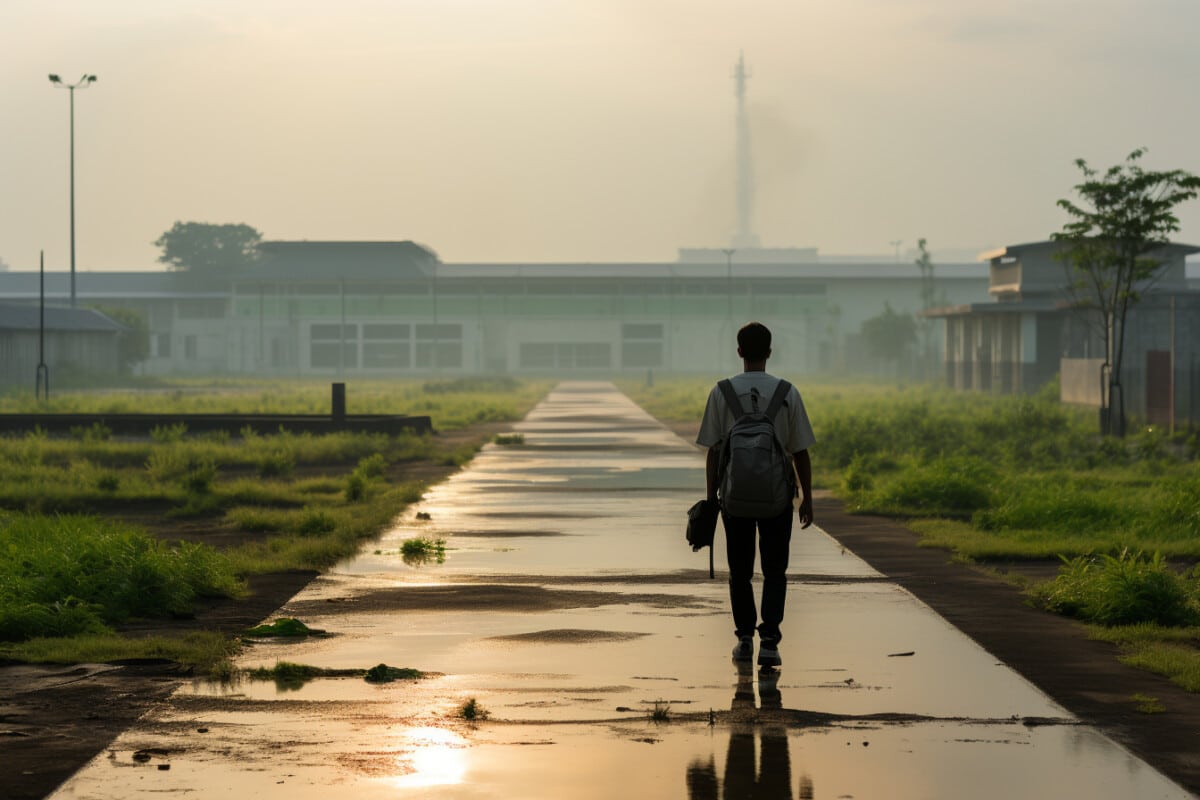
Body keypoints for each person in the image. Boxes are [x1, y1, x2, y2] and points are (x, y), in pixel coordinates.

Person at [696, 321, 815, 669]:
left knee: (740, 571)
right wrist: (807, 498)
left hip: (734, 498)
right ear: (769, 352)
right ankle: (770, 642)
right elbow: (800, 452)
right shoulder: (787, 392)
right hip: (778, 499)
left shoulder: (721, 392)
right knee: (776, 570)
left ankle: (744, 639)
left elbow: (715, 451)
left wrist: (712, 499)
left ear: (739, 352)